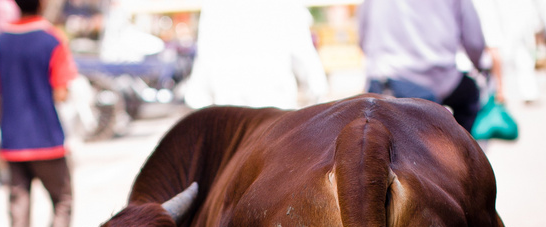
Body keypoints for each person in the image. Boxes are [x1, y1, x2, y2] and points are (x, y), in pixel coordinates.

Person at [0, 0, 77, 227]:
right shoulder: (52, 40)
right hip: (47, 138)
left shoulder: (1, 42)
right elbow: (61, 92)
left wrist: (4, 133)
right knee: (62, 200)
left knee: (18, 208)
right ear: (41, 4)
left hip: (13, 141)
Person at [358, 0, 487, 132]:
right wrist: (479, 65)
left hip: (385, 78)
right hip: (438, 78)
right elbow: (474, 43)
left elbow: (362, 37)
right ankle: (457, 149)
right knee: (470, 97)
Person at [185, 0, 328, 110]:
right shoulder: (285, 5)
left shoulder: (216, 7)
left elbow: (206, 57)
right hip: (273, 109)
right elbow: (303, 55)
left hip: (233, 112)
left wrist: (199, 100)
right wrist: (319, 97)